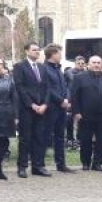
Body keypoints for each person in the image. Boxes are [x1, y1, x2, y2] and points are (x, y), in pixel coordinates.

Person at [69, 55, 102, 171]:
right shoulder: (79, 78)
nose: (97, 65)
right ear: (89, 64)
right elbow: (74, 96)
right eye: (94, 62)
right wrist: (76, 112)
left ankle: (98, 163)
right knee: (85, 140)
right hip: (85, 114)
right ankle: (86, 163)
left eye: (99, 63)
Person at [13, 41, 51, 178]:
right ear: (27, 51)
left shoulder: (42, 68)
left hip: (42, 109)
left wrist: (45, 104)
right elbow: (20, 88)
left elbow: (47, 87)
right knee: (25, 139)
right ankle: (22, 166)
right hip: (27, 109)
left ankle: (38, 166)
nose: (37, 52)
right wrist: (32, 105)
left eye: (38, 50)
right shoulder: (19, 67)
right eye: (34, 49)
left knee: (39, 138)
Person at [44, 44, 75, 173]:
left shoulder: (58, 69)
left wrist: (66, 99)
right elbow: (48, 89)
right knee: (45, 136)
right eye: (59, 53)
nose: (61, 56)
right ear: (53, 54)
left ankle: (61, 164)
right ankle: (39, 163)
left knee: (60, 136)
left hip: (62, 108)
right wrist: (61, 100)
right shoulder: (45, 69)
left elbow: (65, 86)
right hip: (51, 107)